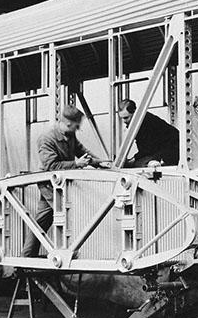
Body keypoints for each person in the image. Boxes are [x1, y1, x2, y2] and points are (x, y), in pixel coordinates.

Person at [22, 104, 102, 258]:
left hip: (61, 184)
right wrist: (76, 165)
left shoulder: (69, 135)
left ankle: (26, 256)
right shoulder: (47, 138)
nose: (78, 129)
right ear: (68, 123)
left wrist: (98, 163)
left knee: (42, 221)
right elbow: (51, 166)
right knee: (68, 214)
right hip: (49, 185)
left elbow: (82, 151)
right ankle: (67, 253)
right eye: (77, 126)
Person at [117, 99, 179, 167]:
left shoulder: (146, 123)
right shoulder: (143, 120)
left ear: (134, 112)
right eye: (122, 118)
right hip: (163, 149)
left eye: (126, 118)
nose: (124, 121)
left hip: (170, 150)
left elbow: (147, 149)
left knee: (139, 164)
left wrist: (133, 159)